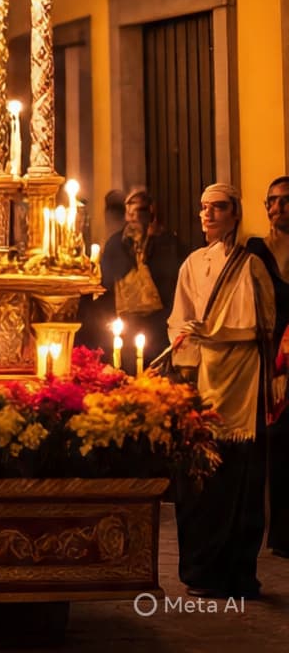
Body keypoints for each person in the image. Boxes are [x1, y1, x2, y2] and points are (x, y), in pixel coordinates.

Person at [167, 183, 275, 599]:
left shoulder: (252, 266)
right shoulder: (192, 264)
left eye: (218, 208)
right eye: (203, 208)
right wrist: (186, 349)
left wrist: (217, 332)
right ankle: (201, 569)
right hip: (205, 379)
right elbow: (180, 319)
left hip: (244, 385)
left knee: (240, 478)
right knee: (203, 478)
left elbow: (265, 329)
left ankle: (237, 573)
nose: (208, 215)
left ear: (236, 213)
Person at [249, 175, 289, 556]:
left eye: (285, 201)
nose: (277, 207)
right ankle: (280, 533)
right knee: (277, 441)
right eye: (271, 201)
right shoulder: (256, 250)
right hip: (270, 353)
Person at [99, 187, 183, 359]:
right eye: (130, 211)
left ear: (151, 212)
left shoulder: (168, 243)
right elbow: (107, 280)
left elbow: (174, 281)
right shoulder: (116, 243)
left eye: (140, 211)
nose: (134, 217)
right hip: (125, 322)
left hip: (158, 323)